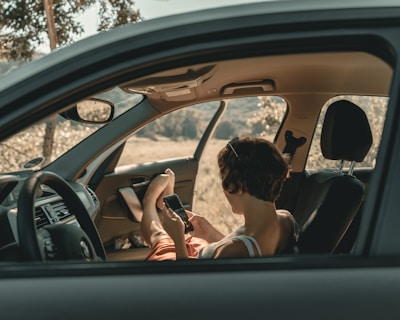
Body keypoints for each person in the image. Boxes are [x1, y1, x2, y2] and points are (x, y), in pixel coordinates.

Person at [140, 137, 298, 260]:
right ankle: (163, 200)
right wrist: (211, 233)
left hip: (187, 266)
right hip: (205, 253)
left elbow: (192, 287)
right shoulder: (286, 220)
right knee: (182, 239)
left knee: (161, 239)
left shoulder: (233, 250)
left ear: (238, 186)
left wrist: (178, 239)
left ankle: (148, 204)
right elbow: (246, 254)